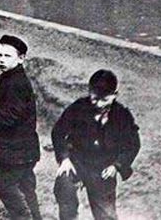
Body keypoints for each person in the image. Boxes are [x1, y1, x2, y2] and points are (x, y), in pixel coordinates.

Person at [52, 69, 141, 220]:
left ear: (115, 94)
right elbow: (58, 132)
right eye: (94, 98)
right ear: (89, 91)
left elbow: (133, 144)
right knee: (64, 187)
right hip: (77, 162)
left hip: (103, 168)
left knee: (105, 214)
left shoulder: (122, 115)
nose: (98, 104)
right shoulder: (78, 107)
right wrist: (64, 158)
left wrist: (117, 165)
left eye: (104, 99)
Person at [0, 35, 42, 220]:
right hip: (23, 149)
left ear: (21, 58)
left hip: (16, 150)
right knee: (26, 187)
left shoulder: (16, 82)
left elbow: (11, 115)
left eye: (7, 56)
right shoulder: (12, 77)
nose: (1, 60)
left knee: (6, 188)